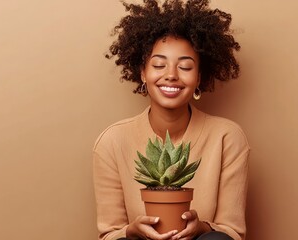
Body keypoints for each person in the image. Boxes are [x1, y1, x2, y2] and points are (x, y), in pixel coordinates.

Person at [92, 0, 249, 240]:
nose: (171, 75)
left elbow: (232, 232)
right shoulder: (112, 141)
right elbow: (110, 234)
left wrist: (203, 228)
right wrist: (132, 230)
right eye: (158, 65)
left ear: (199, 78)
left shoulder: (227, 137)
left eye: (185, 67)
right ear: (143, 72)